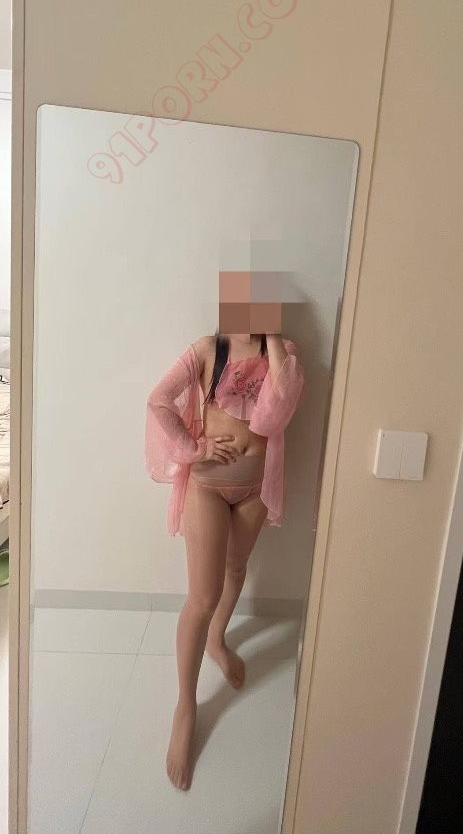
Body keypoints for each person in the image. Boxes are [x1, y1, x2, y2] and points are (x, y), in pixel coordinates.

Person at [145, 298, 304, 790]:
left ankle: (218, 640)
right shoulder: (206, 350)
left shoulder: (283, 354)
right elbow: (158, 400)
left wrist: (272, 337)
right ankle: (186, 706)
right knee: (203, 596)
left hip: (255, 488)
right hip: (208, 486)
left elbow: (275, 415)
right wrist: (193, 448)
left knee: (237, 570)